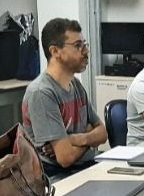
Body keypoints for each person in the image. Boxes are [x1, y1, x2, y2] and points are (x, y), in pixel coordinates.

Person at [22, 17, 107, 179]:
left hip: (86, 168)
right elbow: (65, 158)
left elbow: (103, 133)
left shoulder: (76, 85)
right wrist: (90, 137)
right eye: (78, 46)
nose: (86, 52)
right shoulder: (41, 93)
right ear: (55, 52)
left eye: (84, 45)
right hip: (59, 178)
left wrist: (77, 138)